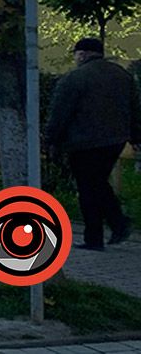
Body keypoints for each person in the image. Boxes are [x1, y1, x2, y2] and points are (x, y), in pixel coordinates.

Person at [45, 37, 141, 250]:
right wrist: (135, 137)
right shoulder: (122, 75)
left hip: (84, 141)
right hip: (115, 140)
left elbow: (60, 113)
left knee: (88, 189)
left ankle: (96, 237)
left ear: (83, 54)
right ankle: (117, 224)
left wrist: (51, 141)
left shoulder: (74, 78)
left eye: (77, 53)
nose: (76, 58)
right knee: (98, 183)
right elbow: (134, 108)